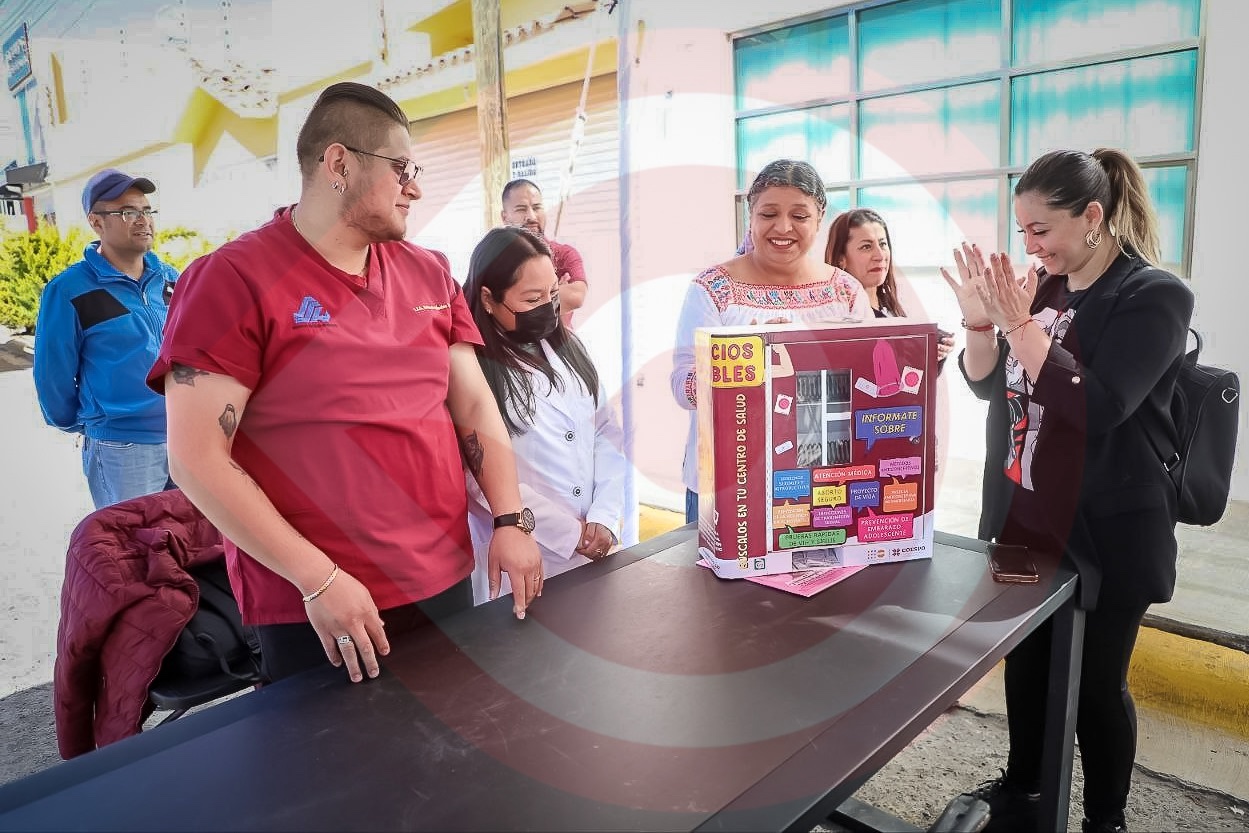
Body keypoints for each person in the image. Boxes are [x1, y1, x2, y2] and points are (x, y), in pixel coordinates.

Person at [147, 81, 542, 686]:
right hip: (319, 603)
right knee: (338, 751)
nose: (415, 187)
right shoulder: (230, 280)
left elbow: (474, 407)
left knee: (458, 739)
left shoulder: (429, 272)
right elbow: (196, 458)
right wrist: (318, 579)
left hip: (441, 578)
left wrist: (511, 520)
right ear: (339, 164)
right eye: (401, 168)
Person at [941, 148, 1194, 833]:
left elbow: (1099, 406)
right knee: (1025, 664)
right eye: (1022, 229)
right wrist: (978, 321)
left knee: (1096, 686)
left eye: (1041, 229)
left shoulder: (1154, 296)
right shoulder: (1044, 289)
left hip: (1108, 526)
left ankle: (1105, 818)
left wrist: (1018, 323)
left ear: (1091, 216)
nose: (1030, 245)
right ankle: (1023, 788)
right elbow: (990, 386)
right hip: (1027, 515)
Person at [670, 159, 870, 524]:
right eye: (769, 214)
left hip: (821, 479)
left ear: (819, 219)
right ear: (751, 216)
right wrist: (745, 359)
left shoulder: (845, 292)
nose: (783, 227)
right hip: (729, 481)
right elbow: (682, 388)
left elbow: (865, 388)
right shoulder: (713, 289)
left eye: (799, 216)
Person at [462, 226, 627, 604]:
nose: (547, 307)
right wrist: (570, 534)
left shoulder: (570, 348)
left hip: (595, 548)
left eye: (553, 293)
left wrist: (603, 516)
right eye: (532, 298)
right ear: (488, 299)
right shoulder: (473, 368)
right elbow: (476, 475)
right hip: (526, 555)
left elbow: (605, 432)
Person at [33, 169, 178, 510]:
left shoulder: (171, 278)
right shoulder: (69, 289)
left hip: (185, 436)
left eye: (146, 210)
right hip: (122, 447)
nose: (143, 220)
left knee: (189, 538)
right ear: (96, 222)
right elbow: (53, 373)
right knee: (134, 539)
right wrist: (88, 423)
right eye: (128, 212)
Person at [824, 207, 955, 363]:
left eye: (883, 244)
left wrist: (932, 353)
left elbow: (910, 376)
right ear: (841, 259)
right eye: (866, 247)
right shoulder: (835, 319)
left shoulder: (895, 309)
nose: (880, 256)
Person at [500, 178, 587, 328]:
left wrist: (518, 302)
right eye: (521, 209)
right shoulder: (496, 259)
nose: (531, 217)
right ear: (505, 216)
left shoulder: (563, 254)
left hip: (560, 341)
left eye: (537, 208)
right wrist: (555, 295)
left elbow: (576, 296)